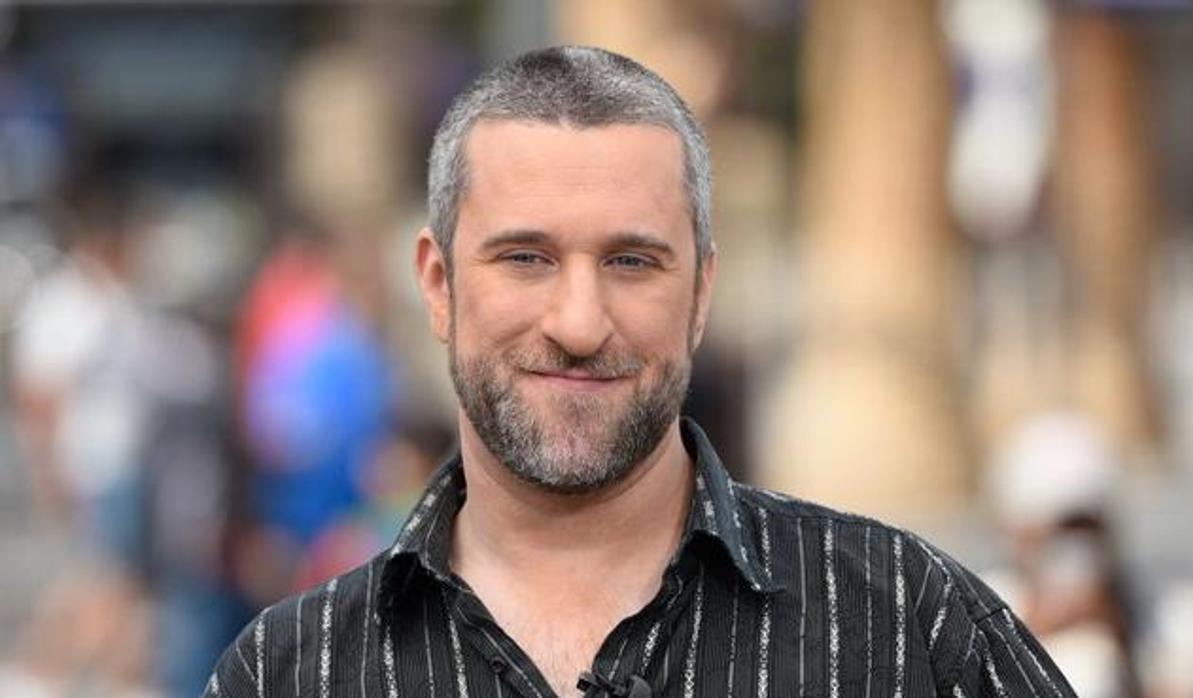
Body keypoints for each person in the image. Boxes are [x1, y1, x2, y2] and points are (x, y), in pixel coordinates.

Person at [204, 46, 1074, 698]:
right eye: (526, 258)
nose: (580, 325)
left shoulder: (907, 628)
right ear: (438, 285)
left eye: (631, 262)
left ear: (701, 292)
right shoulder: (293, 674)